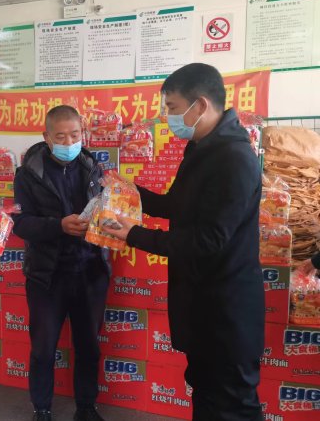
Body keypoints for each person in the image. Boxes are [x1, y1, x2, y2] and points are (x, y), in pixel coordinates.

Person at [103, 63, 265, 421]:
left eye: (173, 107)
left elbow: (209, 239)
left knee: (234, 404)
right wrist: (130, 192)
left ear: (200, 105)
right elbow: (177, 205)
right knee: (206, 393)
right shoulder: (201, 148)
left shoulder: (233, 159)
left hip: (227, 310)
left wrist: (134, 234)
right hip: (202, 303)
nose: (168, 117)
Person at [12, 105, 110, 421]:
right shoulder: (28, 173)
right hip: (47, 275)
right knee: (43, 348)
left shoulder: (93, 167)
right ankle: (42, 409)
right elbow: (20, 223)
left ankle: (86, 407)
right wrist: (59, 226)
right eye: (61, 136)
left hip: (90, 270)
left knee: (89, 346)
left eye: (75, 135)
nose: (69, 142)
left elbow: (106, 210)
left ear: (83, 133)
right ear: (47, 136)